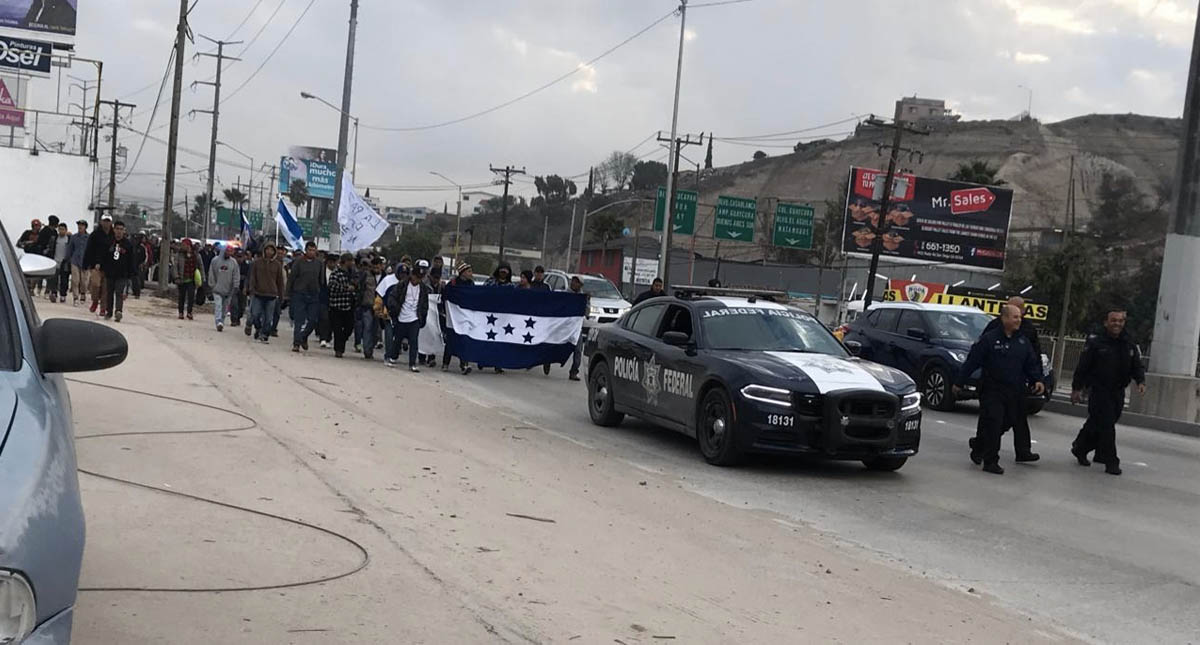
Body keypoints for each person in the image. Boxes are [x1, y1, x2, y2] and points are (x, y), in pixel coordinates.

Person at [953, 305, 1045, 475]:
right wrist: (959, 382)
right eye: (1015, 317)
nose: (1019, 320)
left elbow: (1030, 363)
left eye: (1019, 317)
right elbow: (972, 362)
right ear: (1004, 319)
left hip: (1014, 391)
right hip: (992, 390)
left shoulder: (1022, 341)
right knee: (994, 423)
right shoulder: (989, 339)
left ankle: (979, 445)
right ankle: (990, 461)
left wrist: (1037, 380)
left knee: (1007, 422)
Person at [1070, 309, 1147, 476]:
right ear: (1106, 322)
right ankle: (1111, 461)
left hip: (1118, 391)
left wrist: (1140, 380)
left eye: (1120, 321)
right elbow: (1083, 366)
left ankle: (1080, 447)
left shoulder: (1128, 342)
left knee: (1098, 423)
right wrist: (1077, 388)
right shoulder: (1096, 342)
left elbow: (1136, 364)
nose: (1117, 324)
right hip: (1099, 390)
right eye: (1113, 320)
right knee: (1106, 426)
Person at [980, 295, 1043, 462]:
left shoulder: (1028, 330)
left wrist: (1037, 378)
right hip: (993, 384)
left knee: (1019, 417)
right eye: (1010, 311)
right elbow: (979, 354)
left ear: (1023, 310)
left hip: (1018, 383)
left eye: (1018, 312)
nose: (1016, 317)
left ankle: (1023, 451)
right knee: (991, 418)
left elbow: (1034, 356)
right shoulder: (993, 329)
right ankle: (982, 446)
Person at [384, 259, 430, 372]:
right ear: (412, 275)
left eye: (420, 278)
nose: (417, 280)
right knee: (398, 339)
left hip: (414, 318)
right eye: (416, 276)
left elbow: (425, 304)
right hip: (401, 317)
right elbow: (392, 297)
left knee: (414, 341)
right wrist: (394, 310)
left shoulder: (423, 288)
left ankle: (412, 364)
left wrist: (422, 318)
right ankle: (393, 357)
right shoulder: (402, 284)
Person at [287, 241, 325, 352]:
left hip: (314, 295)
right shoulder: (298, 262)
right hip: (300, 294)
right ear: (306, 250)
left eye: (314, 250)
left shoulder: (319, 263)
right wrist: (288, 294)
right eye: (309, 250)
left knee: (313, 320)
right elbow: (292, 278)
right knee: (299, 320)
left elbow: (321, 280)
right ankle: (296, 343)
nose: (311, 252)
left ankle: (304, 336)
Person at [247, 243, 285, 343]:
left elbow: (280, 281)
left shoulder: (277, 265)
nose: (269, 252)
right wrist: (251, 289)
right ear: (264, 250)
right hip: (258, 293)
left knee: (268, 318)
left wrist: (281, 296)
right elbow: (253, 277)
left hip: (272, 295)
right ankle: (258, 329)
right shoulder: (257, 263)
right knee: (255, 315)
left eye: (271, 250)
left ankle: (264, 334)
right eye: (267, 249)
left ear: (274, 252)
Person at [441, 262, 473, 375]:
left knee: (464, 340)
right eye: (469, 271)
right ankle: (445, 363)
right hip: (453, 317)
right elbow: (445, 297)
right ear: (462, 272)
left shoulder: (471, 284)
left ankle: (464, 364)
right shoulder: (453, 284)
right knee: (451, 340)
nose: (471, 274)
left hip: (464, 316)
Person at [101, 220, 136, 323]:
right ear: (114, 229)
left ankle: (118, 311)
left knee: (119, 292)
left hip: (122, 274)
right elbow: (104, 256)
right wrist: (103, 268)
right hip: (110, 272)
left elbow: (131, 260)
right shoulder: (109, 242)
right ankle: (109, 311)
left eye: (121, 229)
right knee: (109, 293)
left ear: (124, 231)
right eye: (117, 229)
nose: (119, 231)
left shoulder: (128, 244)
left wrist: (131, 273)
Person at [327, 253, 357, 358]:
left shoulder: (352, 273)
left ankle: (341, 343)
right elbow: (332, 286)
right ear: (345, 262)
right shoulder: (336, 273)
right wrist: (346, 288)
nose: (352, 263)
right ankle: (338, 349)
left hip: (348, 306)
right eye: (350, 261)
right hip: (337, 306)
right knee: (337, 329)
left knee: (349, 328)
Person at [84, 215, 115, 315]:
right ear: (101, 222)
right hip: (96, 265)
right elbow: (89, 249)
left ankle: (103, 308)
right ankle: (95, 301)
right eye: (104, 221)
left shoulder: (114, 235)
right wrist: (87, 263)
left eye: (108, 221)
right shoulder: (95, 235)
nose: (106, 223)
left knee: (106, 289)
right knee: (95, 285)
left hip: (109, 266)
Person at [207, 244, 239, 332]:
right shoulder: (215, 260)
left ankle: (222, 321)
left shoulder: (234, 263)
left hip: (228, 290)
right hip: (217, 289)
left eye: (230, 251)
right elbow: (211, 273)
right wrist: (212, 285)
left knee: (225, 307)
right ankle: (218, 321)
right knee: (218, 305)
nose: (228, 253)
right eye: (227, 251)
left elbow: (236, 275)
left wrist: (236, 285)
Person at [357, 258, 383, 359]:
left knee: (375, 330)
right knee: (367, 328)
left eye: (378, 266)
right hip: (367, 305)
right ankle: (367, 351)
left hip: (380, 307)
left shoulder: (385, 277)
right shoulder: (366, 275)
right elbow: (360, 289)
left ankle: (371, 346)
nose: (376, 268)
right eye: (374, 266)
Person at [567, 275, 587, 381]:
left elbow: (587, 313)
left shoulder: (583, 297)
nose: (574, 283)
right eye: (573, 281)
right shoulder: (565, 294)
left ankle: (574, 371)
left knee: (578, 349)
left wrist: (586, 302)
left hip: (576, 327)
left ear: (580, 285)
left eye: (576, 282)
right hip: (564, 326)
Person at [66, 220, 89, 306]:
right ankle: (75, 297)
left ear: (85, 227)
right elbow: (70, 248)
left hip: (85, 262)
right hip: (75, 260)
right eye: (79, 225)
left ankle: (83, 294)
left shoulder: (89, 238)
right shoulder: (74, 237)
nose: (80, 227)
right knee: (75, 280)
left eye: (82, 225)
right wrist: (68, 258)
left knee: (84, 281)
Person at [175, 239, 199, 320]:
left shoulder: (195, 255)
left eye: (184, 245)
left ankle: (189, 312)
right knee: (181, 297)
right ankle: (181, 312)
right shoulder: (179, 255)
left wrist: (202, 278)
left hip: (192, 279)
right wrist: (176, 276)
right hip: (182, 279)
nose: (182, 246)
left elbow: (200, 266)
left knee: (191, 297)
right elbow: (175, 266)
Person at [49, 222, 70, 303]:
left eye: (63, 229)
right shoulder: (55, 239)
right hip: (55, 261)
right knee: (54, 279)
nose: (61, 231)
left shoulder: (68, 239)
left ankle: (63, 295)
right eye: (60, 229)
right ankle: (54, 293)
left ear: (66, 230)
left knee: (64, 279)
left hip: (64, 262)